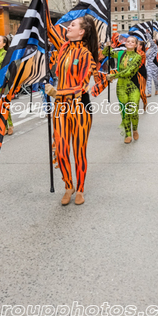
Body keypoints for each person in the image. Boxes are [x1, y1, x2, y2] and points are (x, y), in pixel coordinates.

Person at [44, 15, 103, 206]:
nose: (68, 27)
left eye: (72, 25)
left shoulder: (86, 55)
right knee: (61, 150)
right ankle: (68, 185)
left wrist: (56, 92)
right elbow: (49, 27)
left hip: (80, 107)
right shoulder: (63, 48)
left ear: (81, 32)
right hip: (60, 108)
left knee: (79, 152)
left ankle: (80, 189)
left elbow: (81, 86)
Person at [104, 36, 143, 144]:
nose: (129, 43)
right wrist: (107, 46)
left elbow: (129, 72)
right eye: (128, 41)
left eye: (132, 42)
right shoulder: (120, 53)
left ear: (136, 45)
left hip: (133, 86)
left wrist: (114, 76)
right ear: (125, 43)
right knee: (124, 112)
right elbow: (107, 53)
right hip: (121, 87)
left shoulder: (137, 57)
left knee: (133, 111)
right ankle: (128, 134)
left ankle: (135, 129)